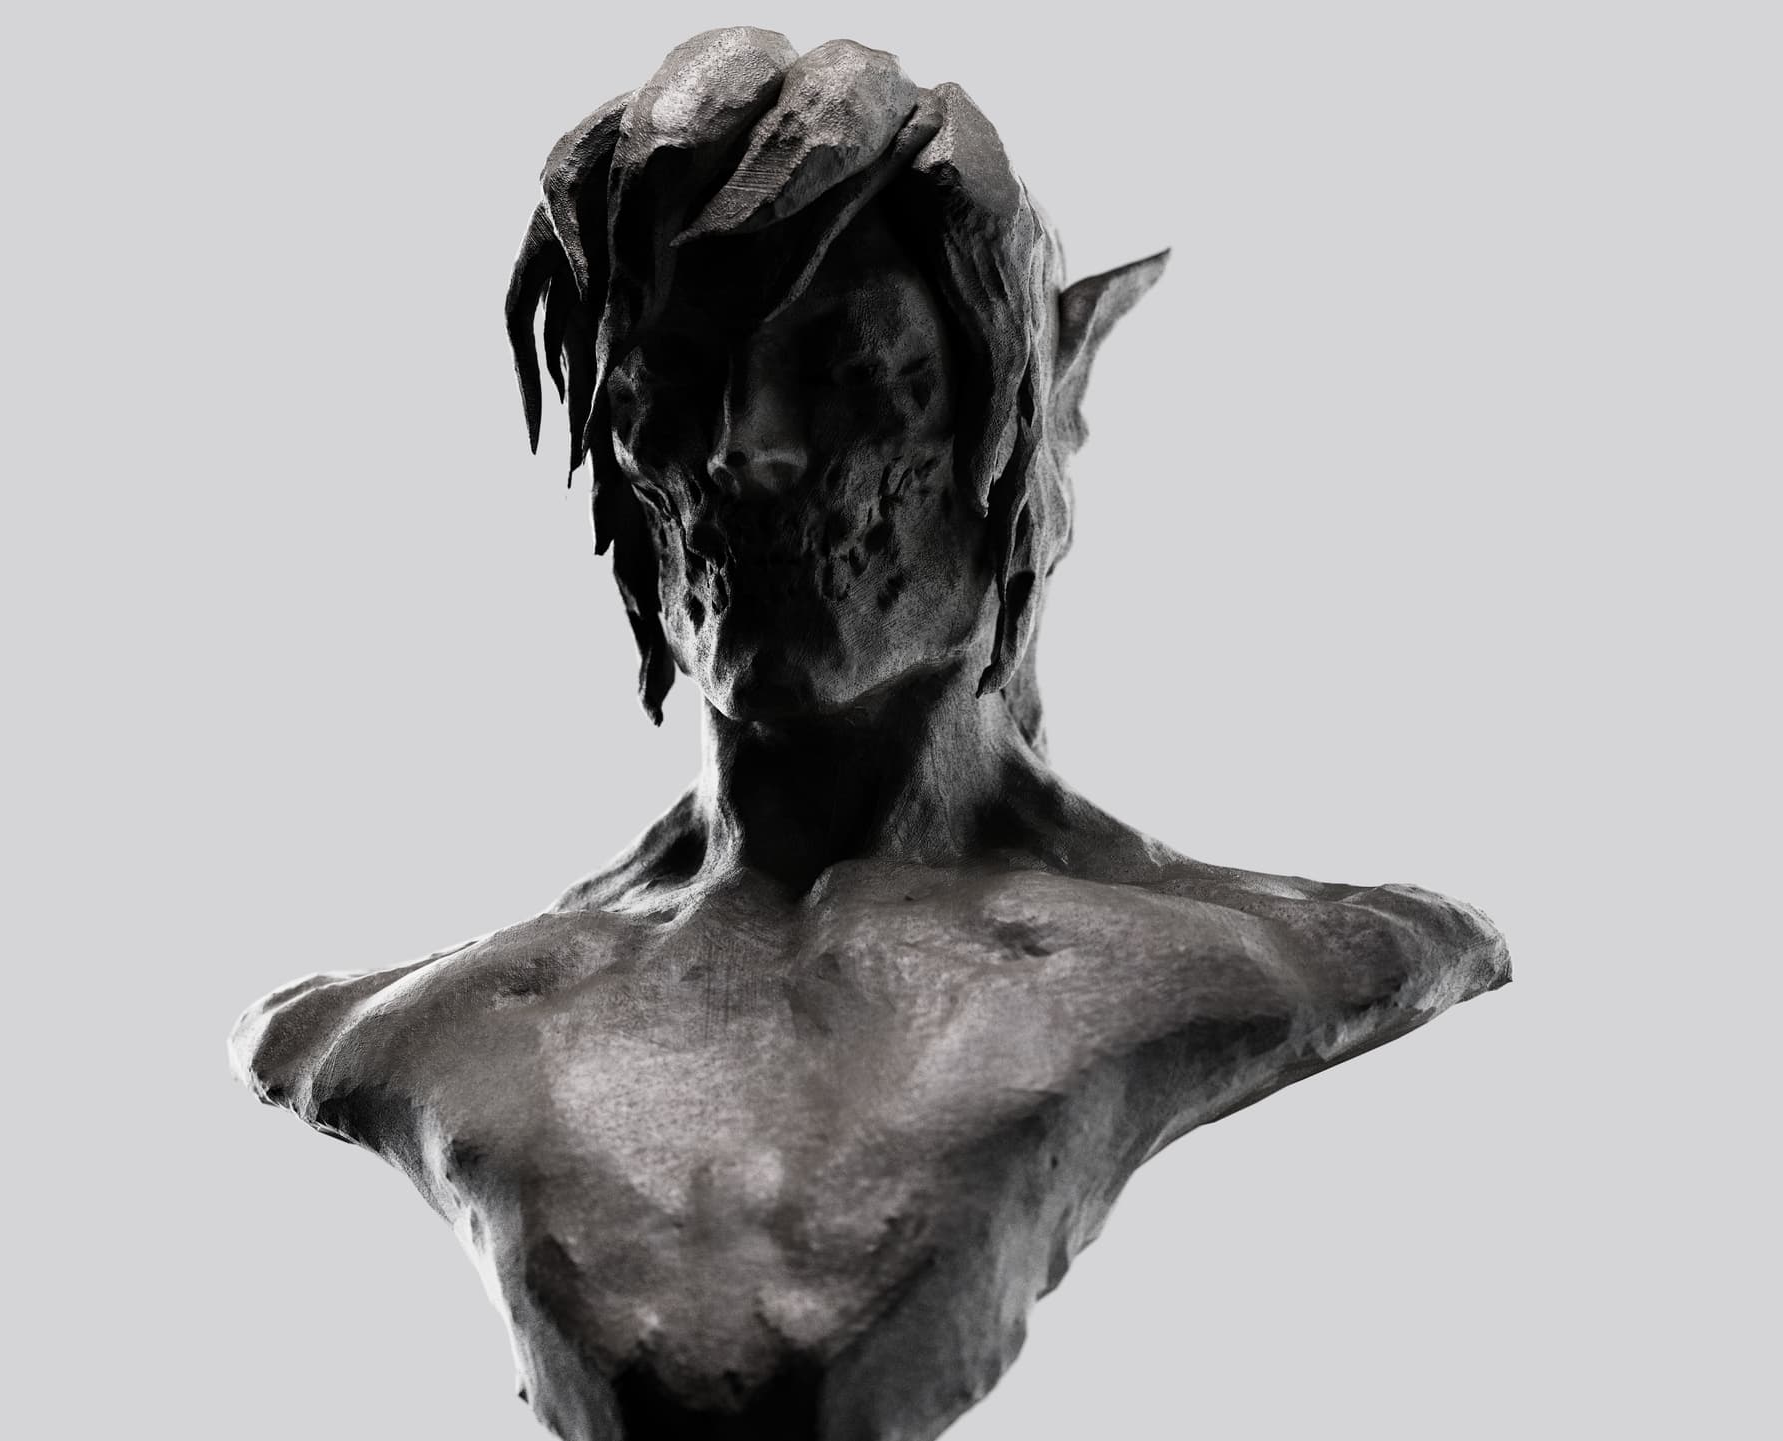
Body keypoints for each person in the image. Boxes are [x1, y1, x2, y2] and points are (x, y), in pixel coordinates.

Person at [232, 30, 1509, 1441]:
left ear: (1022, 410)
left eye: (842, 367)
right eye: (675, 376)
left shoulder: (1293, 958)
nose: (745, 450)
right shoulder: (400, 1030)